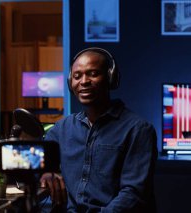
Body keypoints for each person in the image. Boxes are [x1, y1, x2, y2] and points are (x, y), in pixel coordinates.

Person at [40, 47, 158, 212]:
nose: (84, 81)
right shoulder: (61, 129)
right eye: (77, 76)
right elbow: (38, 164)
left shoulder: (138, 130)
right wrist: (46, 173)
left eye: (93, 74)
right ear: (70, 82)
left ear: (110, 78)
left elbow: (134, 194)